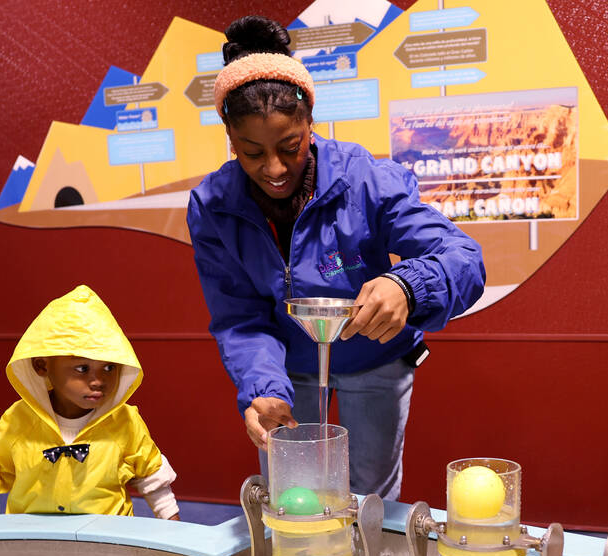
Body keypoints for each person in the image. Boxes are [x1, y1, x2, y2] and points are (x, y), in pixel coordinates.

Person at [186, 15, 485, 500]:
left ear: (310, 123)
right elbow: (240, 317)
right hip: (285, 365)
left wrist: (407, 285)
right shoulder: (214, 207)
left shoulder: (363, 179)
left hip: (376, 360)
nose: (275, 168)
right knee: (295, 496)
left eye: (290, 146)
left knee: (369, 497)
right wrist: (262, 387)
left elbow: (463, 257)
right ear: (228, 136)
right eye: (252, 152)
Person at [0, 285, 179, 519]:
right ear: (41, 366)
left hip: (107, 535)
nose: (99, 381)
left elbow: (152, 477)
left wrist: (174, 530)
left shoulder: (126, 421)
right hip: (34, 536)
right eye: (82, 369)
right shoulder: (21, 419)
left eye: (109, 368)